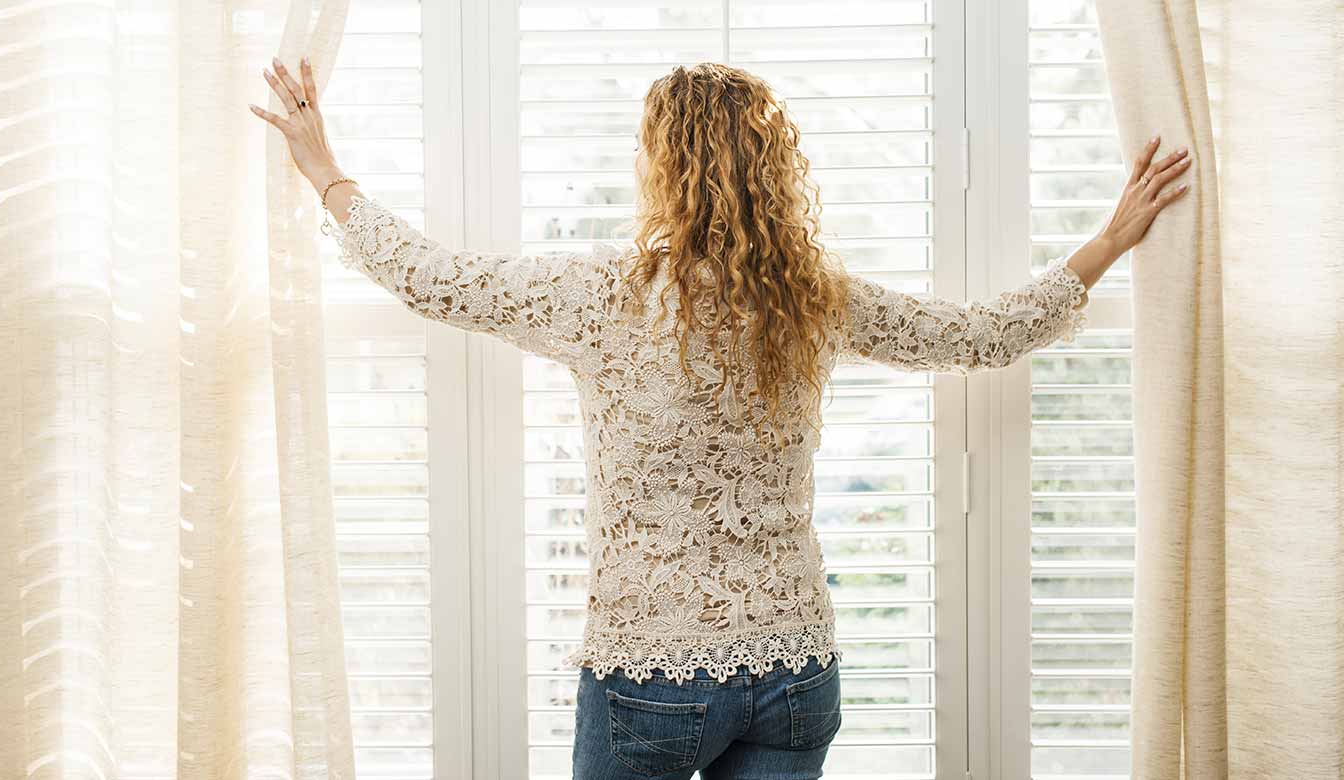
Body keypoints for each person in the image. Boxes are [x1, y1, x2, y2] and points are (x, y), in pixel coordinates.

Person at [251, 55, 1190, 780]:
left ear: (664, 169)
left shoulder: (604, 295)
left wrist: (325, 171)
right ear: (771, 174)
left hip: (649, 679)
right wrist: (1108, 239)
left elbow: (432, 278)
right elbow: (980, 335)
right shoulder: (815, 300)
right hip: (795, 671)